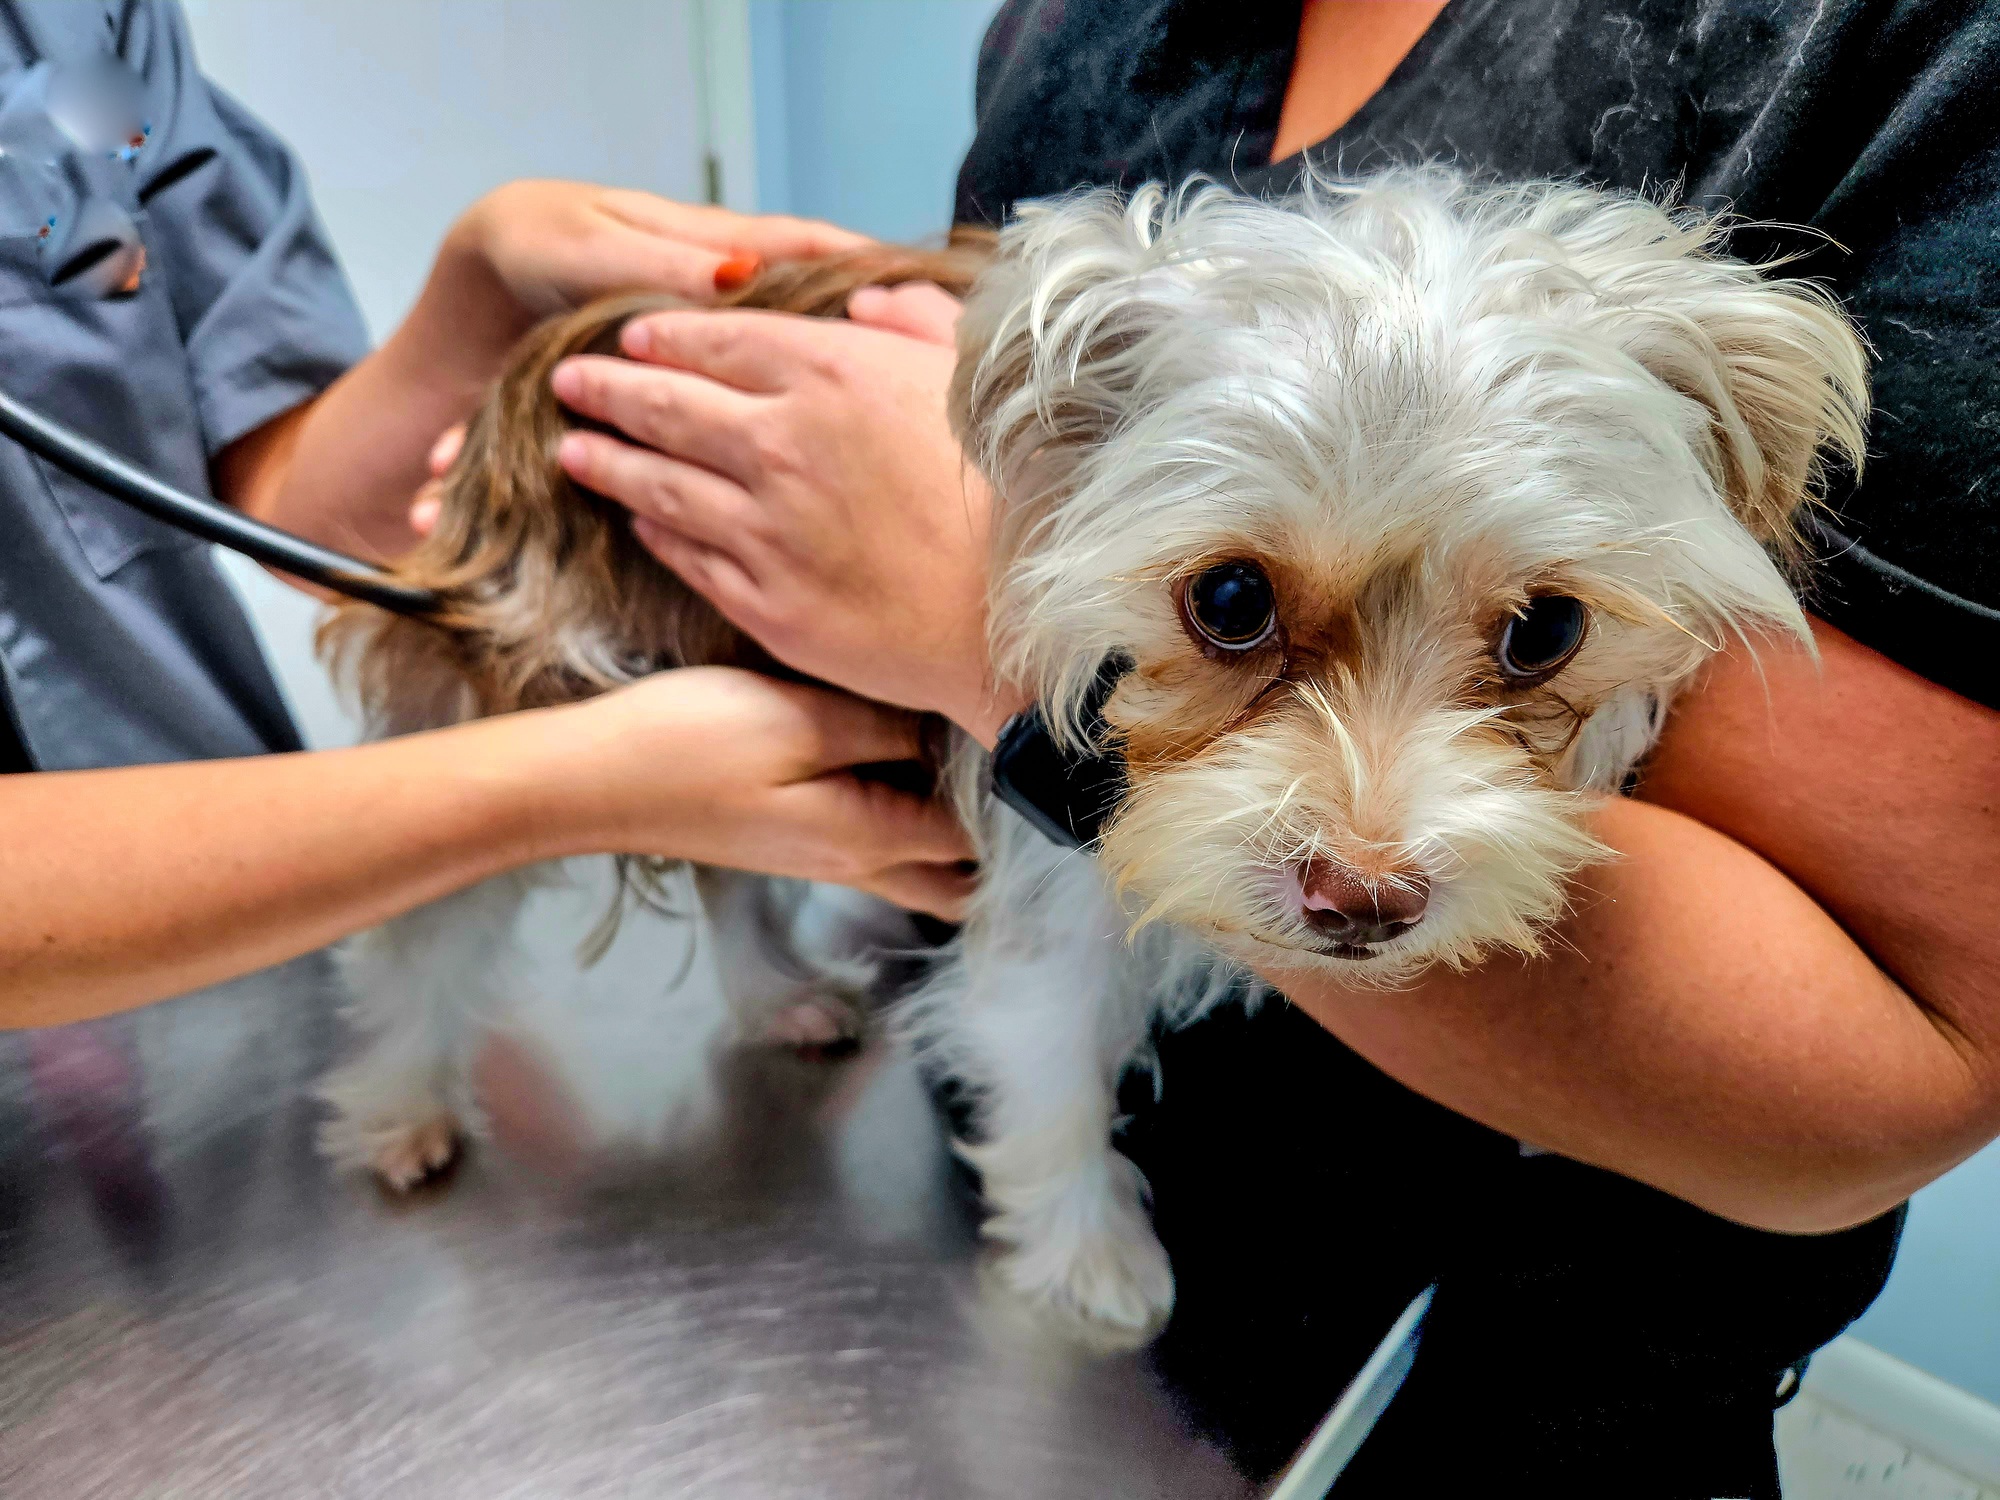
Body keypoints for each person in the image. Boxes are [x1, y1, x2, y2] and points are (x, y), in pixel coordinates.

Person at [541, 0, 2000, 1493]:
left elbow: (1904, 1052)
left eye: (1534, 637)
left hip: (1543, 1381)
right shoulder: (1073, 29)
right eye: (1237, 608)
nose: (1367, 856)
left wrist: (966, 632)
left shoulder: (1901, 51)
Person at [0, 0, 973, 1031]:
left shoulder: (74, 17)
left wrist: (470, 293)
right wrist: (561, 785)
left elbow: (299, 507)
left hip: (243, 942)